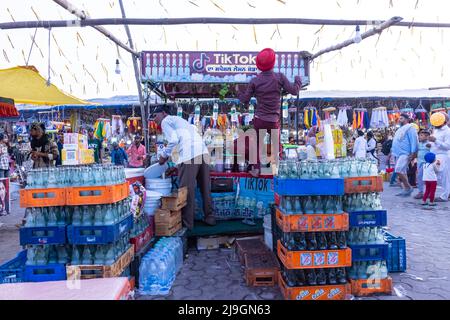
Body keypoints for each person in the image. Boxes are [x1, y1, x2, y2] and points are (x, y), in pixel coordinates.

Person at [239, 48, 302, 177]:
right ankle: (275, 170)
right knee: (275, 145)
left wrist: (238, 92)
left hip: (259, 119)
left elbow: (245, 100)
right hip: (273, 120)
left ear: (259, 65)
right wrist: (297, 81)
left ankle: (255, 169)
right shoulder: (279, 77)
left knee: (256, 144)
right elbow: (294, 91)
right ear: (273, 63)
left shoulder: (254, 81)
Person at [152, 105, 216, 229]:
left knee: (186, 192)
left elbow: (174, 141)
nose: (154, 119)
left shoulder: (166, 121)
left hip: (190, 155)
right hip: (202, 152)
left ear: (164, 113)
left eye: (155, 115)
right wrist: (177, 165)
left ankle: (187, 225)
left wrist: (163, 156)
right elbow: (183, 142)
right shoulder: (180, 120)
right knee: (205, 188)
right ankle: (210, 217)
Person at [391, 113, 419, 197]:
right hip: (399, 154)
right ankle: (406, 190)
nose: (399, 120)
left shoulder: (410, 128)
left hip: (406, 153)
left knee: (398, 170)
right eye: (399, 118)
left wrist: (414, 153)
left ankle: (408, 187)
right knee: (402, 171)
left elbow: (414, 140)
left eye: (401, 118)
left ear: (407, 119)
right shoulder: (400, 129)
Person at [428, 112, 450, 202]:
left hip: (443, 156)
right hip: (434, 155)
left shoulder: (447, 131)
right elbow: (434, 143)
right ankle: (446, 193)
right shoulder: (436, 129)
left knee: (443, 176)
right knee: (439, 176)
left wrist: (435, 141)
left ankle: (444, 196)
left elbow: (447, 146)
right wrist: (430, 144)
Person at [414, 129, 431, 199]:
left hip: (427, 164)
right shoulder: (418, 144)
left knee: (428, 178)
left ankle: (429, 192)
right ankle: (420, 192)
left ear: (427, 137)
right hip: (419, 163)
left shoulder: (429, 144)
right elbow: (415, 152)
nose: (419, 137)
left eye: (421, 135)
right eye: (419, 135)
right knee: (419, 177)